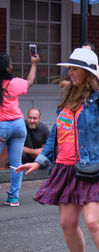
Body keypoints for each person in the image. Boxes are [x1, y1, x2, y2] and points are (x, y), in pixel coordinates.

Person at [16, 48, 99, 252]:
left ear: (89, 73)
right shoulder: (70, 95)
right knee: (67, 222)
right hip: (68, 166)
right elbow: (58, 132)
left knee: (94, 222)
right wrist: (39, 161)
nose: (70, 72)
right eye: (70, 68)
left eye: (76, 68)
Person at [0, 51, 39, 207]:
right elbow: (29, 81)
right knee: (16, 163)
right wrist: (34, 63)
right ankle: (14, 197)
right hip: (18, 125)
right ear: (7, 67)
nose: (12, 65)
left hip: (2, 126)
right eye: (10, 63)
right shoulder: (15, 83)